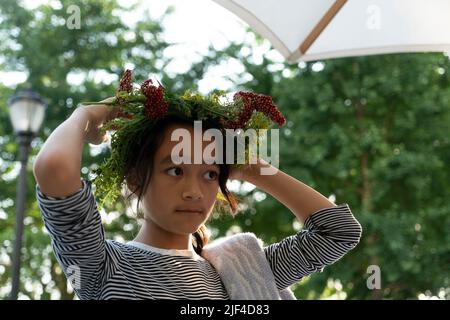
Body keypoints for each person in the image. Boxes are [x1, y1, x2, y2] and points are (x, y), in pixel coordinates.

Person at [33, 73, 362, 300]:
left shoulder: (242, 269)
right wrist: (88, 115)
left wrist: (250, 167)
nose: (194, 191)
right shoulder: (104, 267)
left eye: (208, 175)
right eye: (175, 170)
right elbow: (54, 168)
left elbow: (338, 232)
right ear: (135, 179)